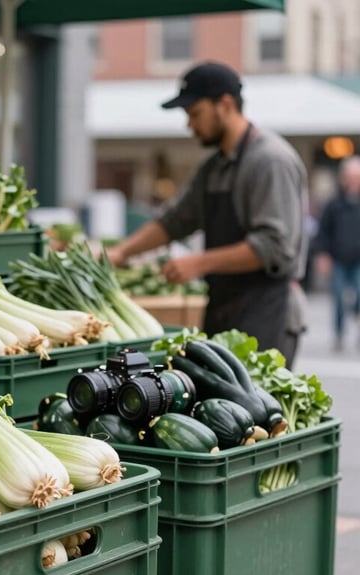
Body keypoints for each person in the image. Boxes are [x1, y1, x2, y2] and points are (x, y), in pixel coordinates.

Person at [106, 61, 309, 368]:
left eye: (194, 114)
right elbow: (175, 220)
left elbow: (274, 247)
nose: (189, 125)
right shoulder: (213, 167)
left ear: (224, 104)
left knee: (259, 412)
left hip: (268, 312)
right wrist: (120, 253)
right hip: (224, 309)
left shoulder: (269, 160)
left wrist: (197, 262)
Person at [314, 155, 360, 351]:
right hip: (339, 258)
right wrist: (322, 255)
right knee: (339, 298)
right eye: (351, 175)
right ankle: (339, 334)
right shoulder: (334, 204)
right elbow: (323, 231)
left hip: (359, 260)